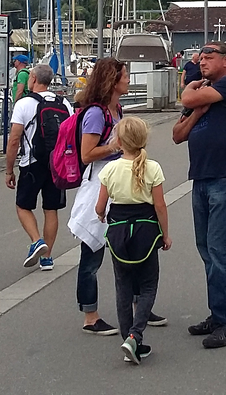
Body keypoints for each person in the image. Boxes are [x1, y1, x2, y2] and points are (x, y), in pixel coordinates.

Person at [72, 57, 165, 334]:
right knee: (92, 253)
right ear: (113, 80)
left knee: (132, 245)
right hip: (101, 184)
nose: (128, 79)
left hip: (120, 181)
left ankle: (139, 309)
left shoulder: (117, 109)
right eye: (125, 75)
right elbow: (86, 154)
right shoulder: (97, 114)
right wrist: (117, 147)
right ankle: (90, 315)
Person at [173, 41, 226, 350]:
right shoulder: (204, 93)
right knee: (206, 248)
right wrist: (197, 112)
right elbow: (177, 135)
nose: (203, 62)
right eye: (201, 58)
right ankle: (217, 314)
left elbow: (187, 95)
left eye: (209, 57)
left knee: (220, 250)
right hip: (202, 178)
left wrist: (192, 94)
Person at [97, 116, 170, 365]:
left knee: (123, 286)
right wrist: (165, 234)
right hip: (146, 230)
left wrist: (101, 214)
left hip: (118, 230)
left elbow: (100, 206)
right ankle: (135, 335)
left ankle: (128, 337)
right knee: (148, 284)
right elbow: (160, 205)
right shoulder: (153, 168)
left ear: (118, 141)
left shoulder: (109, 169)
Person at [5, 63, 71, 273]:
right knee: (51, 209)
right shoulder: (64, 103)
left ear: (32, 78)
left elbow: (14, 139)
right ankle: (48, 258)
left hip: (32, 163)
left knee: (23, 206)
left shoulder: (24, 104)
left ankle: (36, 241)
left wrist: (9, 170)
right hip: (57, 163)